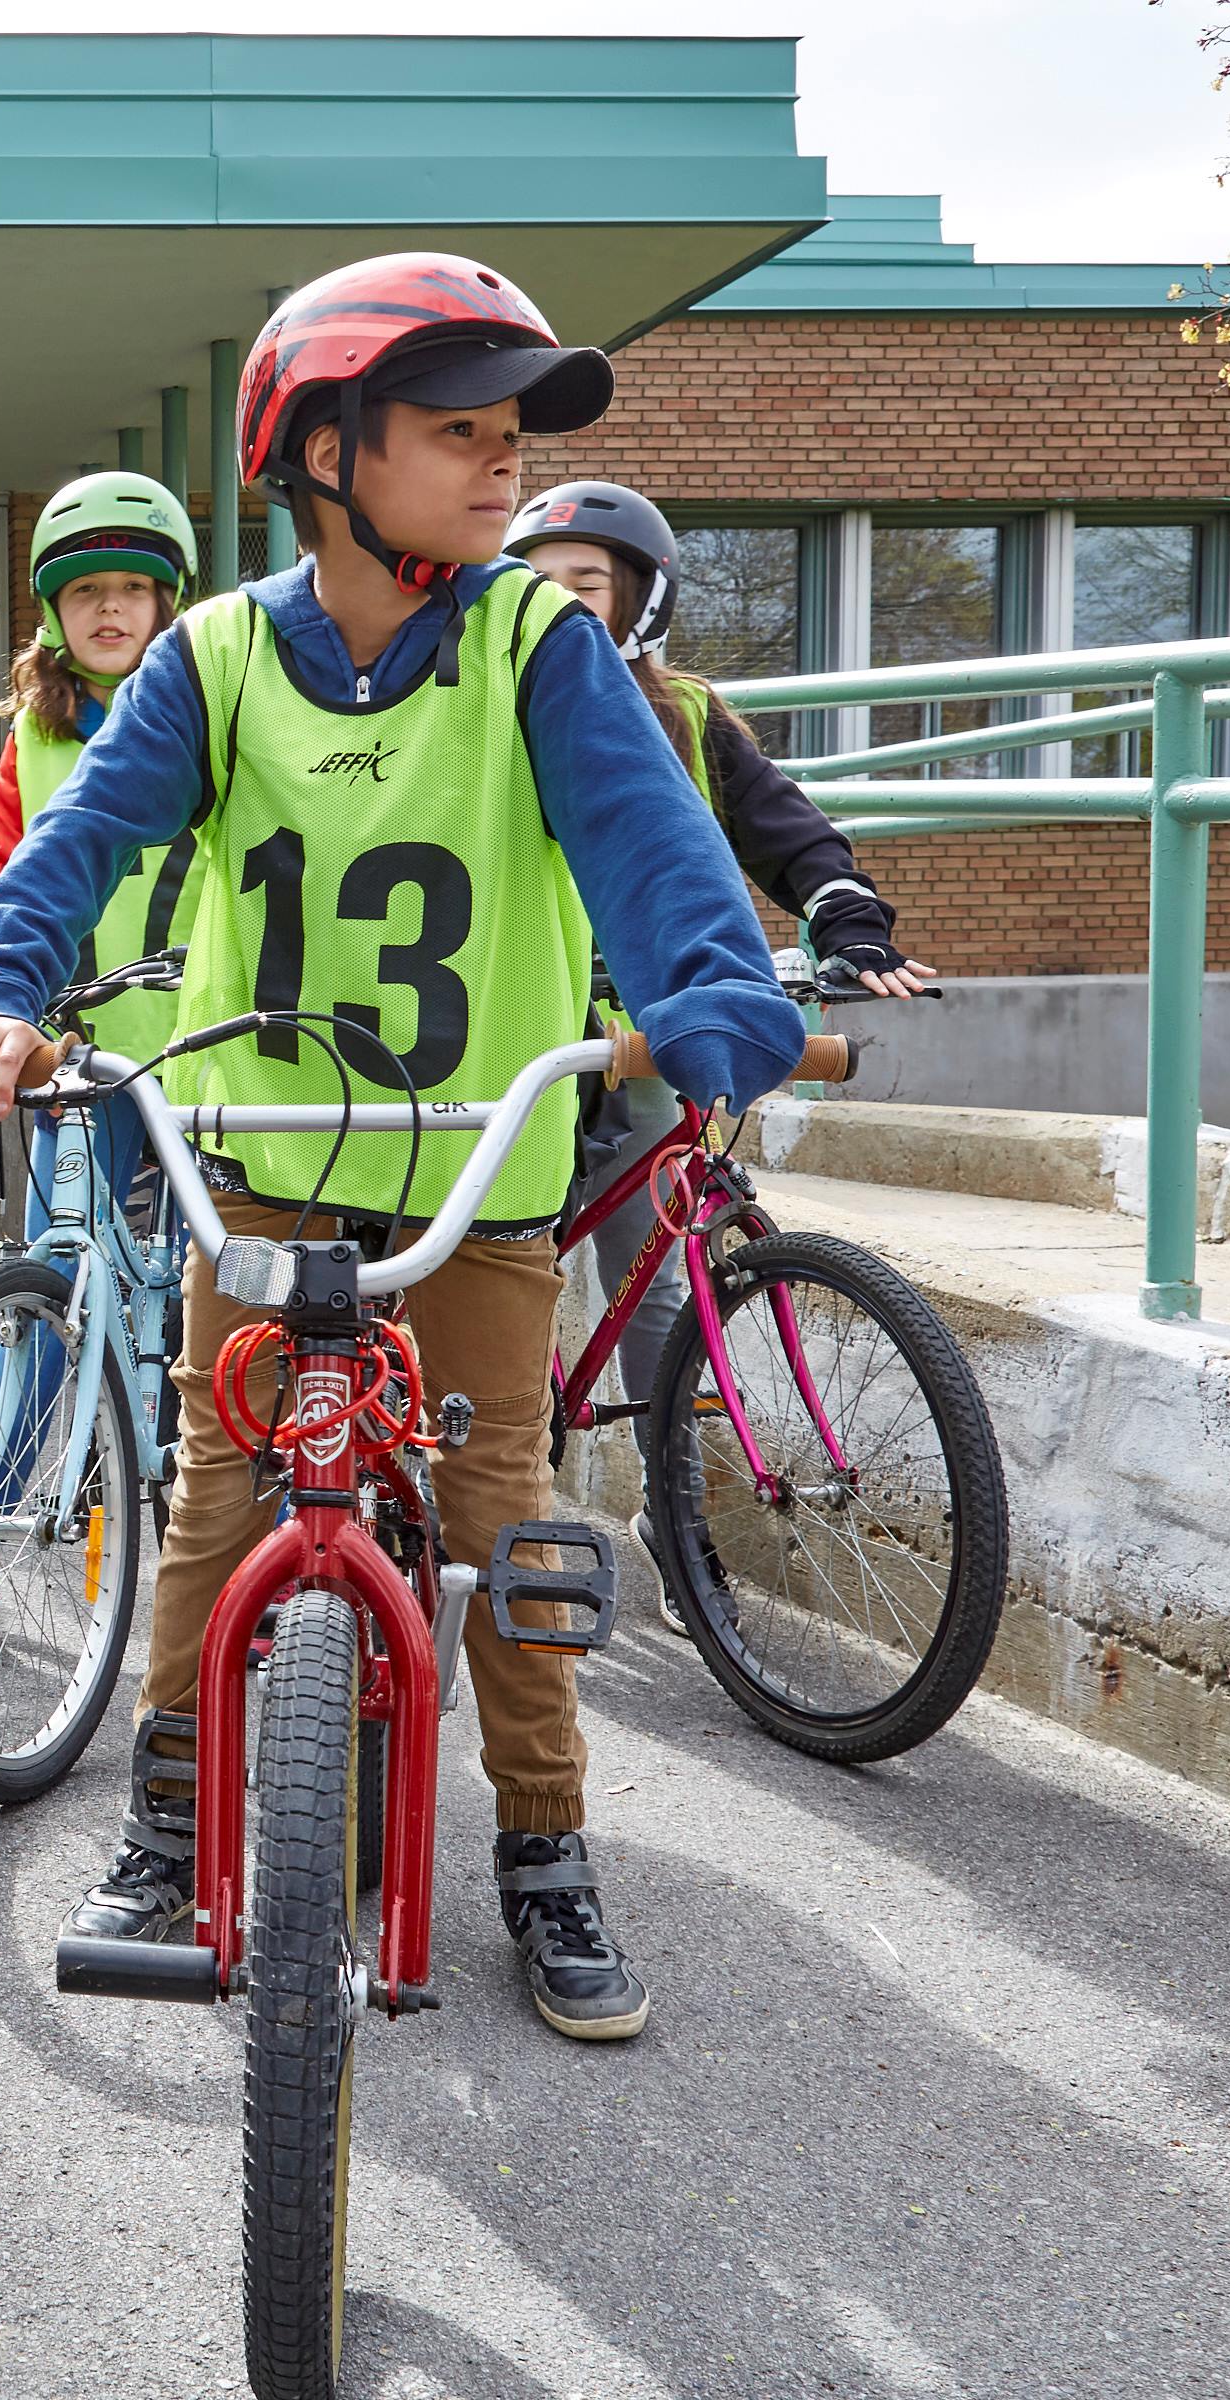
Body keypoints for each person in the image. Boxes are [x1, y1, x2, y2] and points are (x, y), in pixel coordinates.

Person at [0, 254, 806, 2043]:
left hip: (472, 1170)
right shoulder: (217, 657)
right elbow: (85, 840)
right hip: (255, 1149)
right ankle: (173, 1825)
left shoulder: (538, 647)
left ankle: (546, 1852)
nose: (505, 470)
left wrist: (720, 994)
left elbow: (651, 848)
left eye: (512, 437)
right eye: (460, 434)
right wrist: (2, 989)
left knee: (498, 1501)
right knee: (220, 1482)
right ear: (329, 454)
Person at [500, 478, 933, 1619]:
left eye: (587, 589)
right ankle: (488, 1504)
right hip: (522, 1031)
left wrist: (846, 919)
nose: (564, 610)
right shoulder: (485, 710)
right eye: (540, 590)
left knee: (652, 1277)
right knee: (494, 1268)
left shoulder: (687, 713)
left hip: (643, 1034)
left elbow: (786, 830)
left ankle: (674, 1509)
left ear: (641, 603)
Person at [0, 472, 199, 1637]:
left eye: (133, 590)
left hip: (218, 1060)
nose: (111, 612)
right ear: (53, 615)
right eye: (87, 593)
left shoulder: (226, 708)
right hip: (89, 1055)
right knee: (50, 1293)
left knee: (230, 1314)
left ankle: (248, 1550)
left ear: (170, 604)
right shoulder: (39, 735)